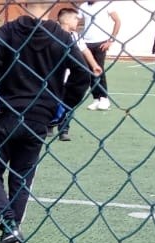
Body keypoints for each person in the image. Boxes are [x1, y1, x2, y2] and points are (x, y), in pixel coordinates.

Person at [0, 6, 95, 243]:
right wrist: (63, 105)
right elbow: (81, 74)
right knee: (21, 179)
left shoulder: (8, 30)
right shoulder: (62, 37)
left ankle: (8, 226)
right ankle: (10, 233)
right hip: (39, 117)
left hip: (6, 114)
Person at [52, 7, 103, 142]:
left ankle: (64, 129)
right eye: (75, 18)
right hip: (53, 77)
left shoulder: (75, 36)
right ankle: (48, 126)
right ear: (67, 20)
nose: (78, 21)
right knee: (51, 100)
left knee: (69, 102)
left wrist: (94, 65)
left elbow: (85, 51)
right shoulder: (52, 33)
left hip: (70, 77)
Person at [78, 0, 121, 110]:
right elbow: (77, 21)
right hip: (86, 43)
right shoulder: (83, 6)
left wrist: (111, 40)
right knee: (89, 71)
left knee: (99, 69)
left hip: (101, 43)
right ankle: (96, 98)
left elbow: (117, 21)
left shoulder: (106, 4)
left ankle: (104, 98)